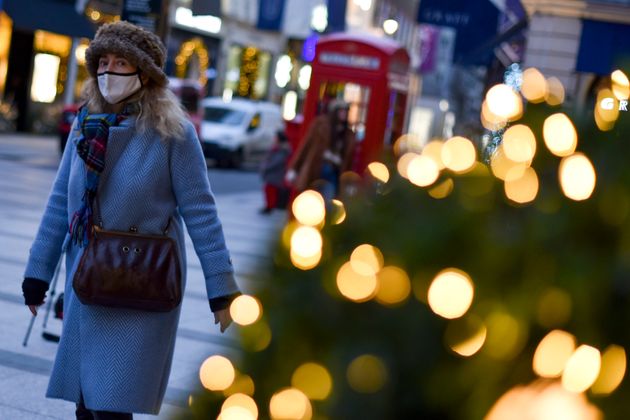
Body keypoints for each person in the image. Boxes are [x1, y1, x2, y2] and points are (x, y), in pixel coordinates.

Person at [20, 21, 240, 419]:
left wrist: (221, 289)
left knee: (112, 405)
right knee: (86, 404)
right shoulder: (85, 125)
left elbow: (201, 213)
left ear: (145, 73)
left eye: (121, 62)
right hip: (89, 276)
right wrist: (38, 273)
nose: (108, 72)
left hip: (141, 280)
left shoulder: (173, 133)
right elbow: (59, 205)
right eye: (102, 61)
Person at [285, 99, 356, 201]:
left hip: (335, 173)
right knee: (310, 200)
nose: (344, 114)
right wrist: (294, 169)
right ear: (334, 112)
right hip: (316, 169)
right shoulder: (320, 124)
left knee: (329, 203)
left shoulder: (348, 134)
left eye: (346, 111)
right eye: (341, 111)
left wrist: (349, 183)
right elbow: (306, 146)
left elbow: (349, 161)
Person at [259, 130, 291, 214]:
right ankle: (269, 206)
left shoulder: (282, 150)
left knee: (271, 190)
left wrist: (266, 167)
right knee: (268, 190)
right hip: (273, 174)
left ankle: (270, 206)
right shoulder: (277, 148)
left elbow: (276, 162)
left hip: (275, 174)